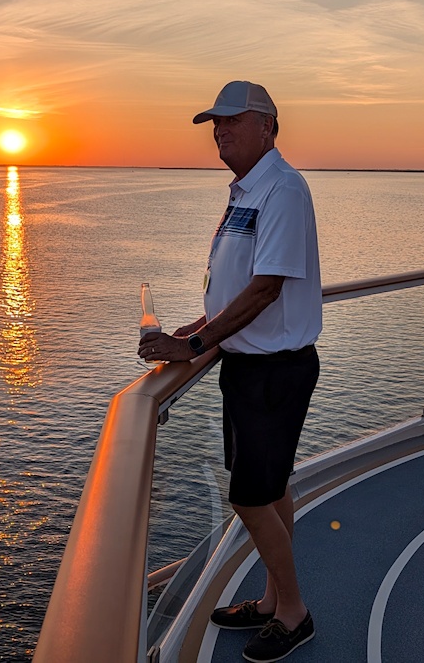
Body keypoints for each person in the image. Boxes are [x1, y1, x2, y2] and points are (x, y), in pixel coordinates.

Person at [138, 80, 322, 662]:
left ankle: (294, 614)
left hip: (274, 370)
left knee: (248, 497)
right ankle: (272, 600)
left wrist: (196, 344)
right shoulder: (247, 191)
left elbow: (266, 288)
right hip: (248, 367)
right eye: (215, 122)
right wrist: (195, 330)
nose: (219, 130)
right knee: (272, 488)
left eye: (231, 120)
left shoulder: (282, 189)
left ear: (267, 125)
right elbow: (236, 286)